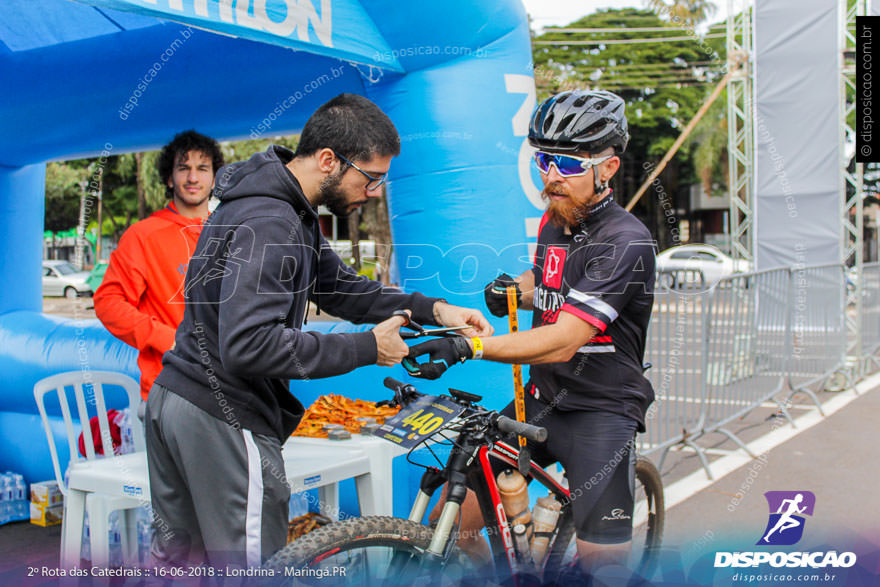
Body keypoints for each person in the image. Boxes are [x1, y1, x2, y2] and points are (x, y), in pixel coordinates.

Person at [145, 93, 493, 570]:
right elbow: (249, 346)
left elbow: (341, 289)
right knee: (250, 573)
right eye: (370, 178)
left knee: (182, 567)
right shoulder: (271, 220)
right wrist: (368, 348)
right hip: (221, 411)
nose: (372, 192)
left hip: (178, 399)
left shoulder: (282, 209)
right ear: (329, 160)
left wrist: (434, 309)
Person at [406, 90, 656, 575]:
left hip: (601, 412)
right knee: (450, 523)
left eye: (567, 163)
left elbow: (565, 336)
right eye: (543, 160)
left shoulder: (626, 240)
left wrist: (468, 346)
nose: (551, 176)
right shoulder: (555, 221)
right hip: (544, 398)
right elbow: (548, 279)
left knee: (601, 569)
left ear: (607, 168)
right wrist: (514, 289)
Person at [94, 130, 224, 410]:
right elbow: (108, 303)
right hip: (170, 392)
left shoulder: (231, 234)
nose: (192, 178)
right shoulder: (144, 235)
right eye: (183, 168)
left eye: (202, 168)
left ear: (214, 178)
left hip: (231, 393)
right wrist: (166, 338)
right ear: (169, 177)